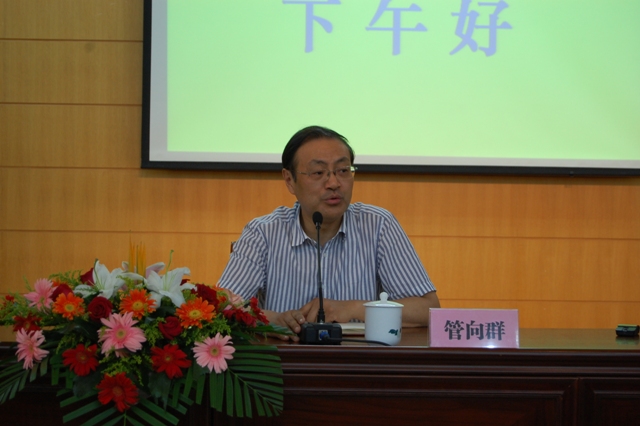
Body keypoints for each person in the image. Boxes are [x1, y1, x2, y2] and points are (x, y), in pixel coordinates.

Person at [218, 125, 439, 341]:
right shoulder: (262, 233)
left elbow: (428, 309)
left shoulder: (379, 225)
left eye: (343, 170)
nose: (334, 183)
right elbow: (221, 307)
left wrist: (353, 308)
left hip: (361, 360)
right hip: (284, 361)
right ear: (289, 180)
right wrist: (272, 319)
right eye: (318, 172)